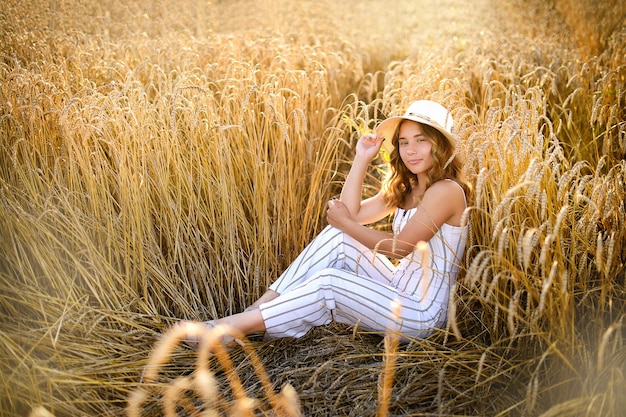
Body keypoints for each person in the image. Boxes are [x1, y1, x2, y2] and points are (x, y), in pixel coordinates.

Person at [178, 100, 470, 345]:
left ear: (440, 145)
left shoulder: (446, 190)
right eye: (404, 142)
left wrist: (346, 222)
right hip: (396, 288)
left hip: (421, 313)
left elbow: (400, 248)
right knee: (339, 238)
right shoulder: (406, 189)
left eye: (421, 140)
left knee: (329, 282)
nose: (410, 150)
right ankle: (259, 310)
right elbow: (351, 213)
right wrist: (361, 159)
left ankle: (228, 330)